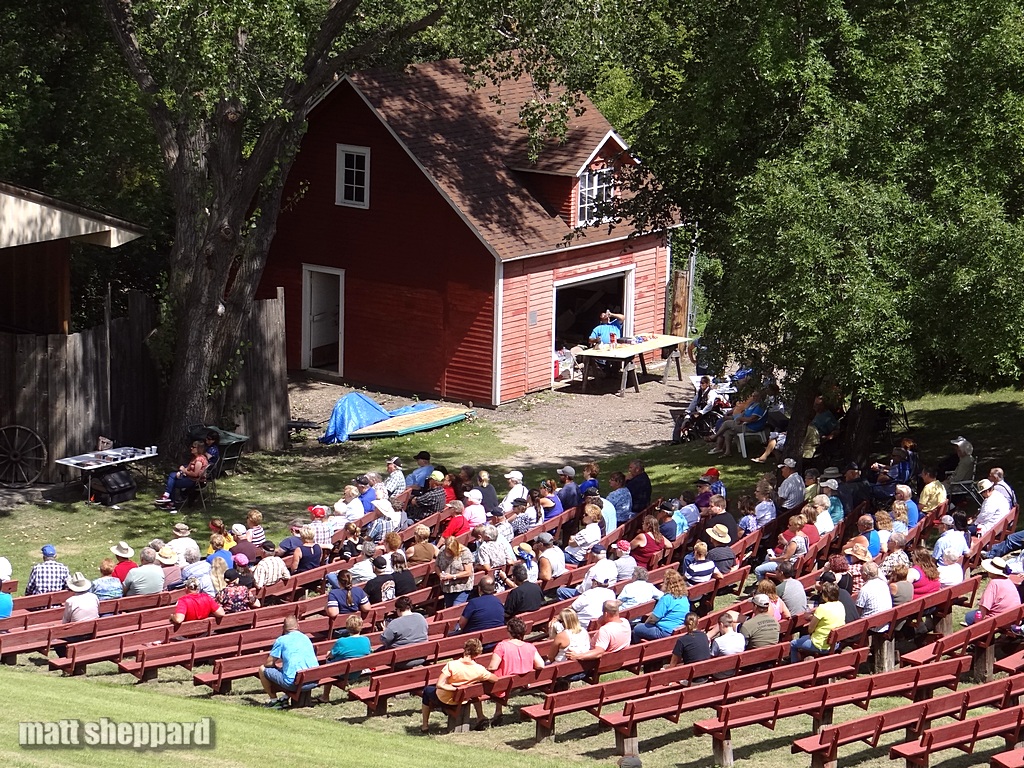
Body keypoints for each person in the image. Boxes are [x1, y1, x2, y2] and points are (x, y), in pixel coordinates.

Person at [420, 638, 496, 733]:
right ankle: (480, 716)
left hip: (446, 698)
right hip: (464, 699)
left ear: (464, 649)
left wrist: (453, 688)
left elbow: (439, 684)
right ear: (477, 654)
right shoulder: (479, 669)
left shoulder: (452, 665)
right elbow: (495, 679)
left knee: (427, 690)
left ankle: (425, 726)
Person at [485, 617, 545, 725]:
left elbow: (493, 667)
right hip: (521, 685)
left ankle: (485, 716)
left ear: (509, 631)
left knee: (487, 680)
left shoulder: (502, 646)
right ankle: (497, 712)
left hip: (502, 686)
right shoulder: (530, 647)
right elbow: (541, 665)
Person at [259, 616, 319, 708]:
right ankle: (285, 697)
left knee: (262, 669)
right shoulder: (306, 638)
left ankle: (274, 700)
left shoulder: (281, 640)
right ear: (298, 626)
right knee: (290, 669)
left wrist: (276, 666)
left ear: (283, 628)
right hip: (313, 680)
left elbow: (268, 663)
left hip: (295, 684)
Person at [318, 615, 372, 702]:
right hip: (358, 671)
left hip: (343, 673)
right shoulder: (366, 640)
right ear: (361, 626)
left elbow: (331, 656)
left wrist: (329, 653)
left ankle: (325, 696)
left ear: (347, 627)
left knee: (329, 664)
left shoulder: (341, 641)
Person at [790, 581, 844, 662]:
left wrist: (810, 618)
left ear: (825, 595)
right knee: (803, 638)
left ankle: (794, 666)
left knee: (793, 644)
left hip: (819, 645)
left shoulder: (822, 608)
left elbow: (810, 629)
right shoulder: (840, 605)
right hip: (834, 643)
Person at [632, 570, 690, 641]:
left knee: (637, 628)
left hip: (663, 631)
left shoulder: (666, 598)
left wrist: (646, 625)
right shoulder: (684, 597)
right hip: (677, 629)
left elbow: (653, 619)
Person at [55, 572, 101, 657]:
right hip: (92, 632)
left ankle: (68, 662)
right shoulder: (94, 596)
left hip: (76, 635)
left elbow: (65, 622)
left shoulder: (71, 601)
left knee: (57, 643)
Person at [709, 391, 767, 457]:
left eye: (756, 396)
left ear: (761, 397)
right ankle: (728, 452)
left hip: (752, 426)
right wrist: (740, 417)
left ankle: (714, 437)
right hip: (744, 423)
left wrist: (741, 419)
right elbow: (744, 412)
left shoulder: (761, 406)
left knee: (726, 423)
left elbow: (752, 419)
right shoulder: (753, 404)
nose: (754, 398)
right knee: (727, 431)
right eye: (753, 396)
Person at [753, 514, 809, 581]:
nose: (788, 526)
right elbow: (795, 551)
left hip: (786, 566)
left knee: (758, 570)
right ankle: (766, 578)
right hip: (793, 563)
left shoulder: (795, 541)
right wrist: (785, 543)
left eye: (790, 525)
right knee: (767, 558)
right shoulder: (805, 537)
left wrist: (774, 559)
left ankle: (763, 588)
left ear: (796, 526)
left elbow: (785, 558)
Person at [965, 557, 1022, 624]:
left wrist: (977, 623)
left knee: (969, 616)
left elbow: (983, 608)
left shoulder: (994, 583)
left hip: (998, 619)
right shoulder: (1009, 581)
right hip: (1013, 618)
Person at [155, 440, 209, 508]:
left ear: (199, 449)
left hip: (194, 482)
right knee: (172, 476)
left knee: (172, 482)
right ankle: (169, 500)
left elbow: (195, 474)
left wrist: (184, 470)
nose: (191, 448)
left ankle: (168, 499)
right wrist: (181, 472)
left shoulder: (199, 460)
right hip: (190, 478)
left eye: (193, 447)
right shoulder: (195, 458)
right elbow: (188, 468)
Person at [673, 375, 726, 443]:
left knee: (688, 419)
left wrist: (701, 412)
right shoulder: (700, 393)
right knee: (680, 418)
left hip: (706, 413)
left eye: (703, 383)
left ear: (707, 384)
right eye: (700, 383)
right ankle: (676, 439)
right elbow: (694, 403)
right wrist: (687, 411)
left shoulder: (711, 392)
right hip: (698, 411)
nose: (701, 385)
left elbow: (709, 405)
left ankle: (688, 434)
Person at [437, 537, 475, 607]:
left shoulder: (465, 552)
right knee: (449, 608)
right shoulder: (442, 550)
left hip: (461, 587)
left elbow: (468, 572)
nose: (448, 552)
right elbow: (436, 566)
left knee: (455, 608)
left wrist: (452, 576)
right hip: (447, 587)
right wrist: (440, 575)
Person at [855, 562, 892, 628]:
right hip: (885, 622)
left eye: (861, 572)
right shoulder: (883, 584)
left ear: (865, 575)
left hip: (870, 625)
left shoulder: (865, 589)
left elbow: (857, 612)